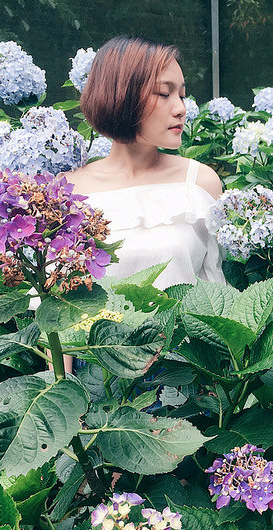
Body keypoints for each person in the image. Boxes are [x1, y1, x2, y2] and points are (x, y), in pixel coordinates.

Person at [58, 36, 226, 371]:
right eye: (164, 94)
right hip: (100, 385)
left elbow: (215, 294)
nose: (180, 107)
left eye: (182, 93)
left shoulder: (200, 183)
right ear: (122, 95)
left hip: (187, 379)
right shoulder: (69, 192)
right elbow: (59, 310)